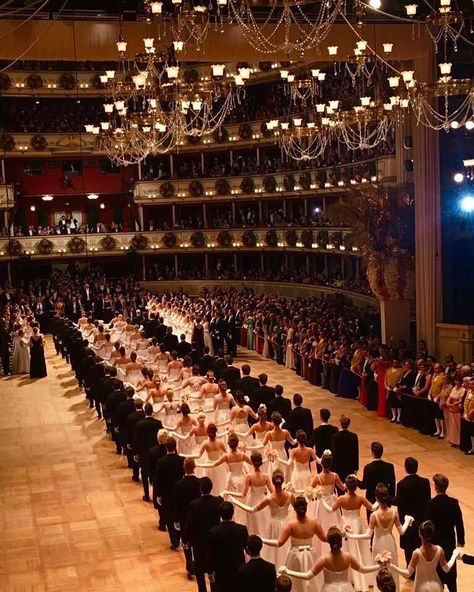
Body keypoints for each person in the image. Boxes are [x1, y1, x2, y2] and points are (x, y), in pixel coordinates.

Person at [347, 483, 414, 592]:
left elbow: (368, 535)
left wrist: (351, 536)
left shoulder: (374, 515)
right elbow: (401, 532)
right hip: (390, 541)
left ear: (376, 498)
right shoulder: (394, 512)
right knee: (392, 569)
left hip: (378, 542)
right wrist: (407, 521)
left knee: (378, 570)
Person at [278, 526, 379, 591]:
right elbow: (364, 569)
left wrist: (288, 571)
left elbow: (307, 576)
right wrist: (379, 566)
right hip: (347, 588)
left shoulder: (324, 560)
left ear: (328, 542)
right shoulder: (348, 557)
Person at [262, 496, 327, 592]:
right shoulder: (314, 522)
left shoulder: (290, 524)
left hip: (294, 556)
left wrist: (262, 540)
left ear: (294, 508)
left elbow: (279, 542)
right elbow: (325, 538)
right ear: (306, 507)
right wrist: (340, 534)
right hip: (311, 555)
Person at [388, 521, 460, 592]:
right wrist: (454, 555)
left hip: (420, 587)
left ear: (419, 534)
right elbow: (446, 569)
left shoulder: (417, 553)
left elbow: (408, 573)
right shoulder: (439, 550)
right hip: (436, 586)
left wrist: (392, 566)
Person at [426, 474, 465, 592]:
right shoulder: (453, 503)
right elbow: (459, 523)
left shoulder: (430, 504)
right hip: (449, 542)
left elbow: (427, 525)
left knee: (437, 574)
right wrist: (460, 542)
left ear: (436, 487)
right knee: (451, 574)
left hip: (435, 543)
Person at [186, 477, 223, 592]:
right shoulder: (219, 501)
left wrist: (186, 538)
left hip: (199, 543)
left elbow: (190, 524)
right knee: (213, 571)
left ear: (200, 489)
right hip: (214, 543)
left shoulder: (194, 504)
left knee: (200, 571)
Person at [395, 457, 431, 567]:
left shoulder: (401, 484)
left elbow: (399, 504)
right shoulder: (425, 482)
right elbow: (428, 501)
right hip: (421, 519)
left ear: (405, 468)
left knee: (408, 548)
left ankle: (410, 569)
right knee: (421, 544)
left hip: (408, 521)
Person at [207, 501, 249, 592]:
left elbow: (211, 553)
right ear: (233, 512)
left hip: (221, 571)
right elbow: (247, 549)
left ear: (220, 514)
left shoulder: (214, 532)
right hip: (238, 569)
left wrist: (210, 571)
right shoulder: (242, 529)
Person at [174, 458, 201, 579]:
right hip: (197, 518)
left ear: (184, 468)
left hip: (184, 518)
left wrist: (176, 520)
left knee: (186, 542)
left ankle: (190, 564)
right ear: (194, 467)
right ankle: (197, 563)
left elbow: (177, 504)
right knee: (197, 542)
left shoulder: (178, 485)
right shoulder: (200, 483)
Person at [155, 437, 184, 550]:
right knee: (180, 515)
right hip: (180, 492)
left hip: (167, 494)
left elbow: (159, 480)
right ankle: (180, 536)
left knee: (169, 517)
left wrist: (158, 494)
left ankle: (174, 540)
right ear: (175, 446)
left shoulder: (161, 462)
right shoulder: (182, 460)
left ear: (166, 447)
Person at [133, 402, 163, 502]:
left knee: (144, 474)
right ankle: (155, 496)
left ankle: (146, 494)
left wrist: (135, 453)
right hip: (155, 452)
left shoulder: (139, 425)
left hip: (144, 453)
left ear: (145, 411)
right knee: (155, 474)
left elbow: (137, 440)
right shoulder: (158, 423)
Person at [358, 442, 396, 510]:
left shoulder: (368, 467)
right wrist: (390, 500)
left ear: (372, 453)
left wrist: (355, 480)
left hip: (371, 501)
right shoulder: (389, 467)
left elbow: (364, 485)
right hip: (385, 500)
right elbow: (392, 485)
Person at [331, 415, 359, 484]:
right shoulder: (353, 436)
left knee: (340, 489)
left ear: (340, 424)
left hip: (338, 467)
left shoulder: (335, 437)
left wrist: (332, 467)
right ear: (349, 424)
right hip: (350, 466)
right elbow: (356, 453)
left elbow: (334, 453)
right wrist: (356, 468)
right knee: (349, 486)